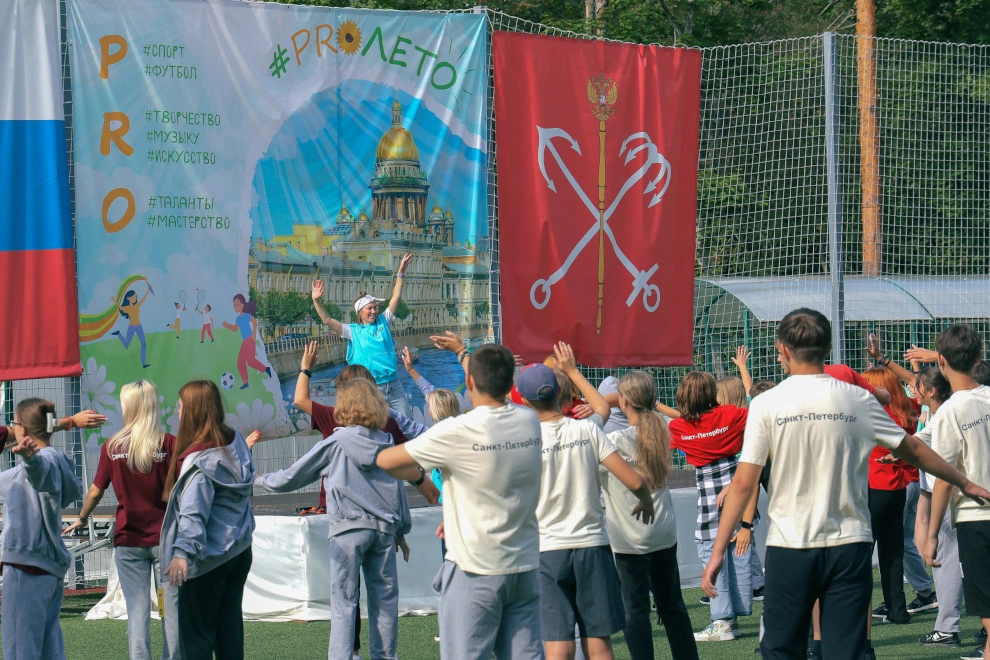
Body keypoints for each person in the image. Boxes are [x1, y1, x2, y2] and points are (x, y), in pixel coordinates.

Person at [701, 308, 990, 660]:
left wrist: (718, 552)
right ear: (827, 347)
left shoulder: (766, 403)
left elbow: (744, 484)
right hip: (849, 546)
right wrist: (965, 482)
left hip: (791, 547)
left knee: (781, 648)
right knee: (846, 650)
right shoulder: (858, 398)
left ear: (784, 350)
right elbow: (912, 447)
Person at [376, 343, 545, 660]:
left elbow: (386, 460)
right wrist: (463, 353)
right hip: (524, 568)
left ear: (469, 383)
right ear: (510, 384)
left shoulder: (454, 431)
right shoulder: (528, 420)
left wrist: (419, 478)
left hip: (474, 570)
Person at [256, 378, 412, 660]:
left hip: (348, 530)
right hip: (385, 531)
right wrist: (402, 530)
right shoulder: (388, 442)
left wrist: (259, 480)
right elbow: (398, 488)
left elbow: (293, 476)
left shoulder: (337, 442)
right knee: (385, 601)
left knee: (344, 602)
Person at [520, 344, 656, 660]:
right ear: (563, 394)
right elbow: (635, 481)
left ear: (525, 402)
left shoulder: (525, 440)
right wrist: (572, 369)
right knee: (599, 642)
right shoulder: (586, 429)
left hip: (547, 550)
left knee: (558, 645)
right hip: (592, 547)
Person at [63, 381, 180, 660]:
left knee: (137, 610)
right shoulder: (170, 444)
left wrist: (82, 518)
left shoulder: (112, 446)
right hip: (166, 539)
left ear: (128, 407)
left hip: (128, 541)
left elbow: (95, 490)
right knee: (172, 610)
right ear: (153, 405)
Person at [601, 371, 699, 660]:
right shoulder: (663, 431)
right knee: (673, 607)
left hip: (629, 538)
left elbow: (596, 415)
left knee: (635, 611)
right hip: (664, 532)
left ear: (623, 401)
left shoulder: (613, 441)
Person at [160, 380, 256, 660]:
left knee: (197, 640)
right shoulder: (236, 440)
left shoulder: (199, 462)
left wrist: (181, 553)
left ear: (192, 411)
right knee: (229, 633)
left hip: (208, 560)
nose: (177, 411)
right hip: (239, 551)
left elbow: (193, 512)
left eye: (180, 406)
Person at [668, 371, 756, 642]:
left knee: (710, 549)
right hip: (738, 481)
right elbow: (756, 411)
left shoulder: (678, 428)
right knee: (736, 551)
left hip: (708, 493)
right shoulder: (733, 414)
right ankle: (734, 615)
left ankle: (722, 621)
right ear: (712, 394)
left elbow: (672, 438)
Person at [922, 324, 990, 660]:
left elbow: (944, 477)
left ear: (942, 361)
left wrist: (932, 534)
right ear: (979, 358)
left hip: (976, 518)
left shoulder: (950, 410)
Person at [0, 398, 84, 660]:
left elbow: (41, 474)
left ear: (22, 431)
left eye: (14, 424)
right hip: (49, 570)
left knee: (20, 651)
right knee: (50, 650)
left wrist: (30, 460)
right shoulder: (57, 461)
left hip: (27, 568)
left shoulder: (38, 464)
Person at [311, 253, 414, 416]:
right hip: (371, 388)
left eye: (375, 308)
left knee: (408, 424)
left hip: (394, 385)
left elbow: (396, 296)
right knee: (378, 429)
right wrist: (316, 300)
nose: (373, 311)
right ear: (360, 312)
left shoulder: (383, 321)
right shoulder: (352, 331)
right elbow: (328, 320)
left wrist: (400, 272)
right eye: (369, 308)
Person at [859, 366, 923, 625]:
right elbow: (915, 386)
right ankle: (898, 609)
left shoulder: (875, 416)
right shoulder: (906, 412)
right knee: (892, 553)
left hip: (873, 490)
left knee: (861, 554)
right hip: (897, 489)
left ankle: (859, 612)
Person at [909, 367, 964, 649]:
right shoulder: (937, 414)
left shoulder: (944, 415)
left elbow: (943, 472)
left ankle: (947, 627)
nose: (912, 390)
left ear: (931, 391)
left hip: (952, 504)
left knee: (945, 560)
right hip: (947, 499)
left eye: (917, 386)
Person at [221, 294, 271, 390]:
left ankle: (266, 369)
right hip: (245, 341)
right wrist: (227, 325)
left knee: (251, 362)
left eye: (238, 304)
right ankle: (245, 383)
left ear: (243, 304)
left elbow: (255, 322)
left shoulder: (247, 315)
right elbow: (235, 329)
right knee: (240, 362)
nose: (236, 306)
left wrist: (253, 335)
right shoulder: (238, 318)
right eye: (234, 305)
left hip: (250, 340)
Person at [111, 288, 152, 368]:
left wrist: (148, 290)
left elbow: (143, 299)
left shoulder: (137, 305)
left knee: (144, 343)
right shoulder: (127, 308)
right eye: (133, 297)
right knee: (126, 345)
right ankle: (119, 334)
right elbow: (120, 307)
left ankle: (143, 364)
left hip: (139, 325)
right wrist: (115, 301)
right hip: (132, 326)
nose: (135, 298)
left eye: (135, 297)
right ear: (128, 298)